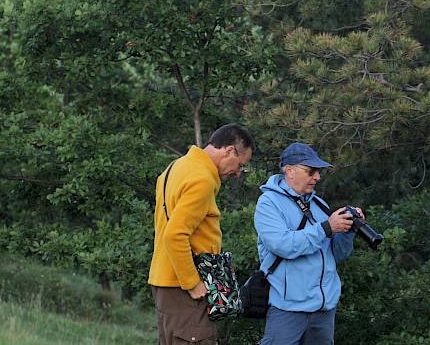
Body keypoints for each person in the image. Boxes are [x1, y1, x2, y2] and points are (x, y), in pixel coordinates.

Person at [148, 123, 254, 345]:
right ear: (229, 151)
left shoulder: (175, 168)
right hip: (184, 286)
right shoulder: (202, 179)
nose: (237, 173)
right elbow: (174, 235)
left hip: (165, 280)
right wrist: (192, 283)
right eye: (240, 165)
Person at [254, 142, 363, 345]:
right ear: (290, 171)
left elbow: (336, 255)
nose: (317, 177)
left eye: (318, 172)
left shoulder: (319, 204)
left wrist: (347, 230)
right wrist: (326, 228)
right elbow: (283, 245)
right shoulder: (268, 203)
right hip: (288, 308)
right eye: (311, 171)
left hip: (324, 311)